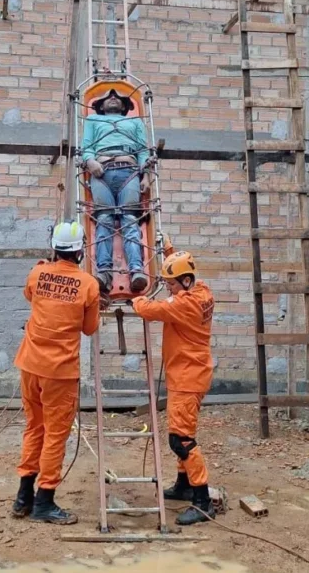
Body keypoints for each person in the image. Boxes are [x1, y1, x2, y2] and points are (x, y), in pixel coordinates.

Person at [11, 221, 101, 525]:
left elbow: (29, 296)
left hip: (30, 365)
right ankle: (44, 501)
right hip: (59, 372)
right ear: (80, 251)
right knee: (55, 435)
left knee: (34, 428)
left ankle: (23, 497)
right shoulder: (88, 284)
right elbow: (89, 329)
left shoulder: (37, 273)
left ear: (54, 247)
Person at [130, 250, 216, 526]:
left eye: (172, 284)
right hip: (191, 373)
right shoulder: (202, 291)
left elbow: (147, 309)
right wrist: (169, 252)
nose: (169, 288)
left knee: (181, 440)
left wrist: (136, 294)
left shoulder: (184, 304)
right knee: (182, 431)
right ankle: (183, 484)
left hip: (187, 378)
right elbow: (181, 269)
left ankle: (202, 502)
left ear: (187, 281)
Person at [82, 89, 151, 295]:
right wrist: (90, 161)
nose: (112, 98)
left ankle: (136, 271)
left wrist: (145, 176)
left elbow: (143, 151)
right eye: (107, 97)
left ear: (124, 106)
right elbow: (86, 147)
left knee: (130, 220)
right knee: (104, 220)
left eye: (118, 97)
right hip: (101, 171)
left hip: (129, 171)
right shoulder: (92, 120)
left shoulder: (135, 122)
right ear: (100, 106)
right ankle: (103, 272)